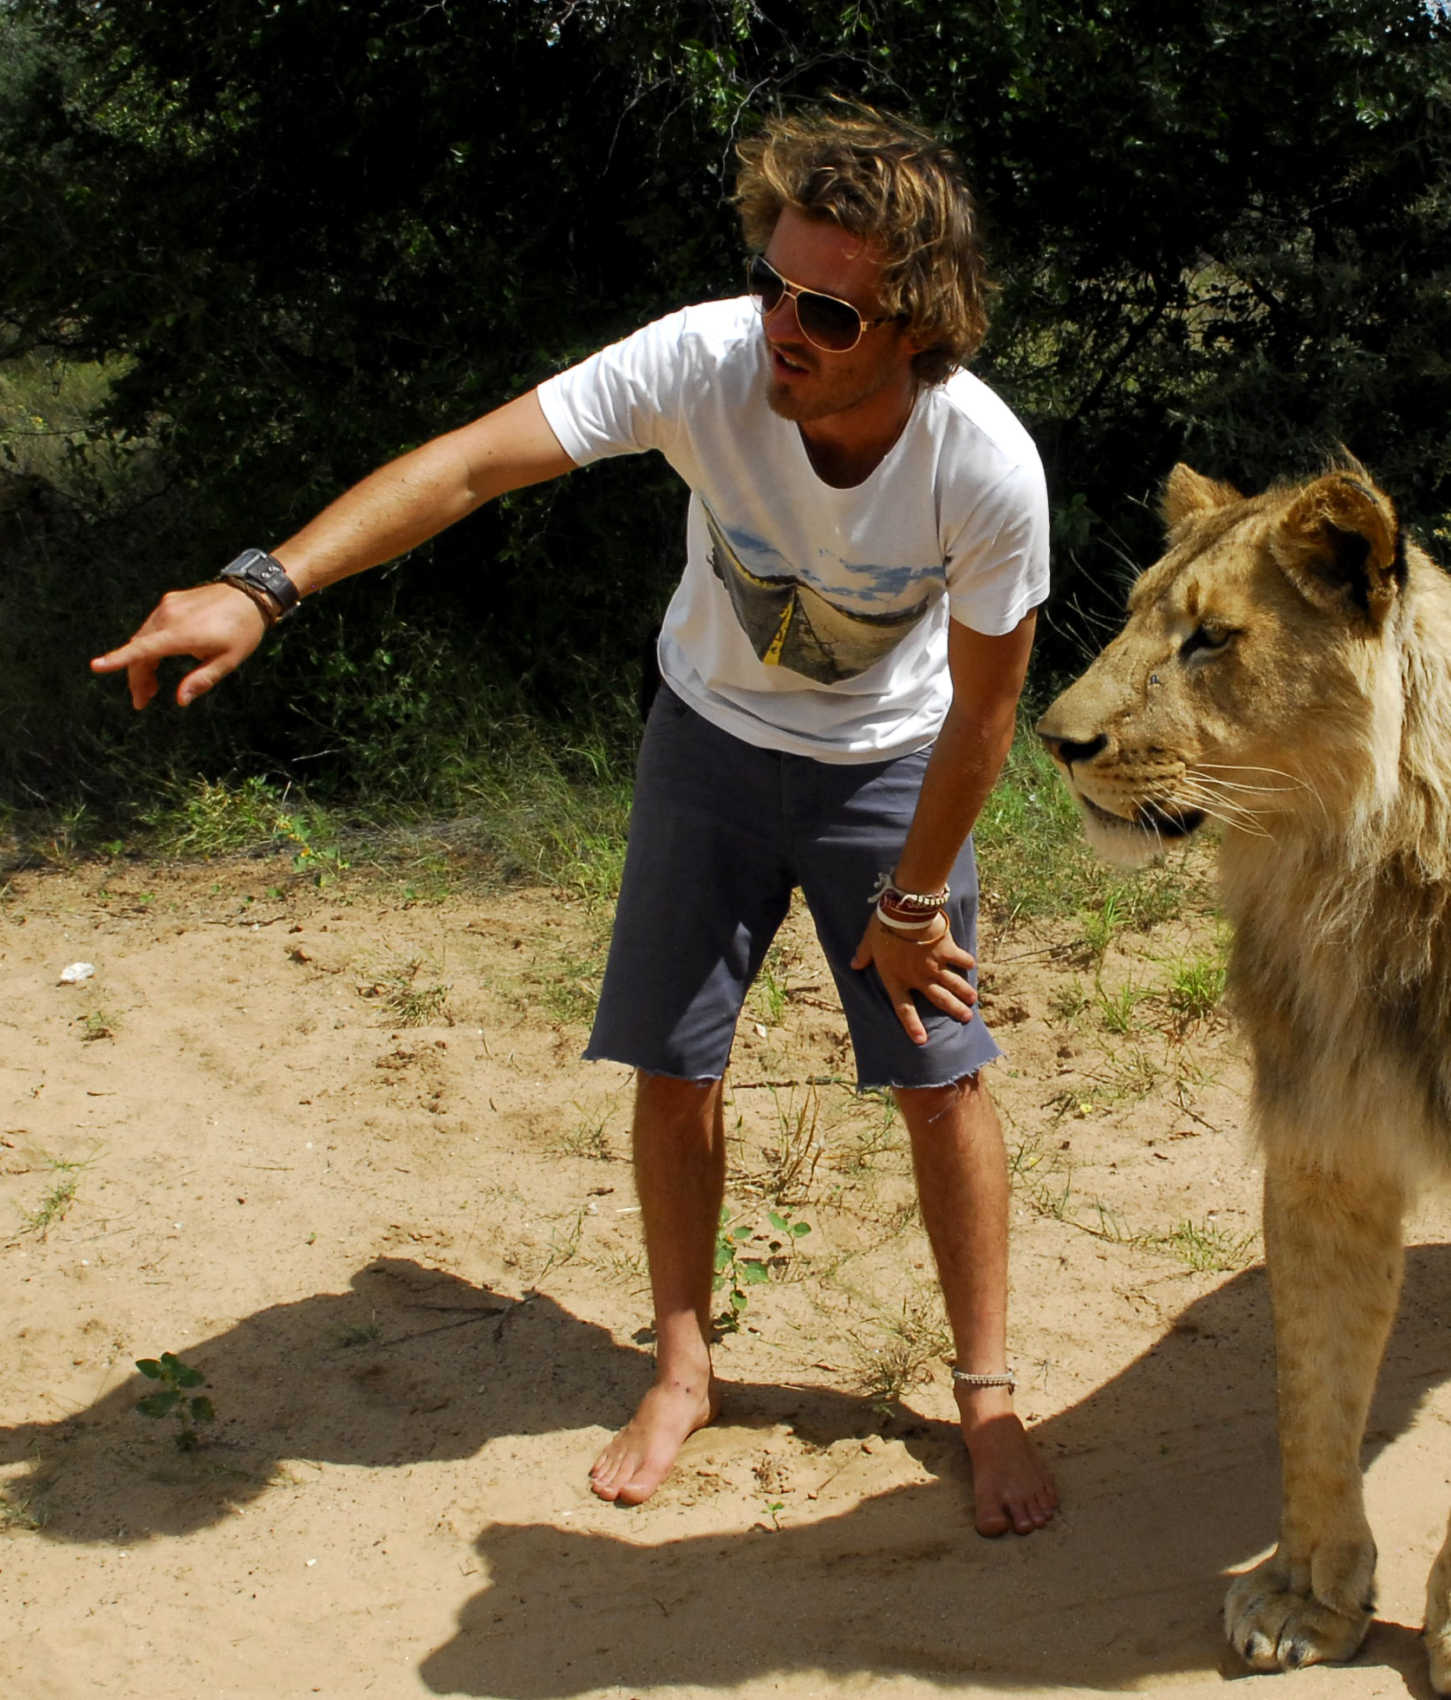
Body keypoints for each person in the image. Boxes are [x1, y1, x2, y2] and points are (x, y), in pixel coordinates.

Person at [90, 107, 1059, 1538]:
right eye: (771, 284)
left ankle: (985, 1394)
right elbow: (474, 464)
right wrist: (265, 584)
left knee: (941, 1072)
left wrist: (910, 908)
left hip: (888, 772)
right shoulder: (706, 361)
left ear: (915, 326)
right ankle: (682, 1367)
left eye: (829, 309)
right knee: (675, 1066)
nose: (783, 326)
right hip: (709, 747)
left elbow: (985, 717)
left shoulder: (984, 466)